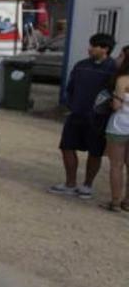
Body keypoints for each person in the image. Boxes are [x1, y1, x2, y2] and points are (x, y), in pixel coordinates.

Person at [50, 33, 117, 200]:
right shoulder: (80, 66)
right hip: (76, 114)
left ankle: (87, 185)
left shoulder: (113, 69)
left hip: (98, 119)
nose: (90, 49)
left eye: (94, 46)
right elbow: (70, 87)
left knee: (95, 152)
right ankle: (70, 184)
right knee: (67, 147)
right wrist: (70, 103)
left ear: (105, 49)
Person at [102, 45, 129, 212]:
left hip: (119, 126)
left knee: (116, 165)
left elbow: (117, 105)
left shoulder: (122, 80)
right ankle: (128, 201)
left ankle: (115, 202)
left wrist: (111, 101)